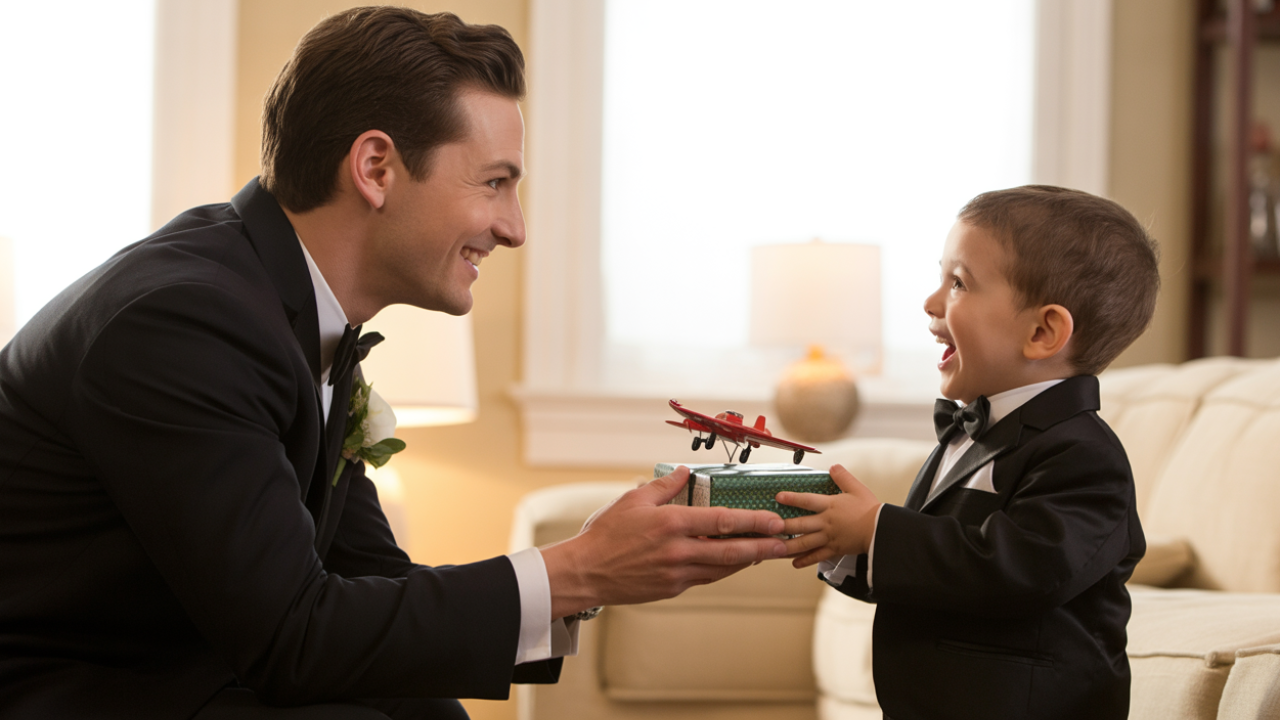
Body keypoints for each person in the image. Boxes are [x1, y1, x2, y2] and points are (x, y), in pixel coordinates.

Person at [0, 8, 788, 719]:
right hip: (70, 686)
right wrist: (577, 571)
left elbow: (366, 582)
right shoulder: (186, 321)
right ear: (376, 168)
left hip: (194, 665)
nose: (514, 229)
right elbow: (293, 637)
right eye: (495, 183)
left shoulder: (286, 306)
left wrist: (591, 570)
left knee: (426, 710)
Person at [777, 185, 1159, 720]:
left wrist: (880, 530)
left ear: (1043, 331)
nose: (931, 302)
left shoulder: (1084, 454)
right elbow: (945, 576)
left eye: (958, 283)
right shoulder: (967, 432)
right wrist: (848, 544)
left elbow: (1026, 570)